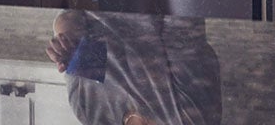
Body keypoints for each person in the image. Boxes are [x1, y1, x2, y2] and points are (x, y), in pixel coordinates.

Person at [45, 9, 222, 125]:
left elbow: (71, 15)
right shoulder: (188, 118)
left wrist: (66, 39)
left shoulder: (92, 112)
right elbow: (181, 17)